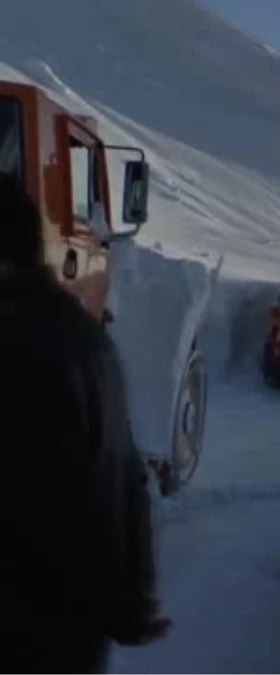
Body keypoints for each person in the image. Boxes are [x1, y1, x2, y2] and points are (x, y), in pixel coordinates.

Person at [0, 172, 171, 673]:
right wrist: (130, 604)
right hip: (64, 637)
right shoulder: (87, 342)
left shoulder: (18, 351)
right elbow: (121, 480)